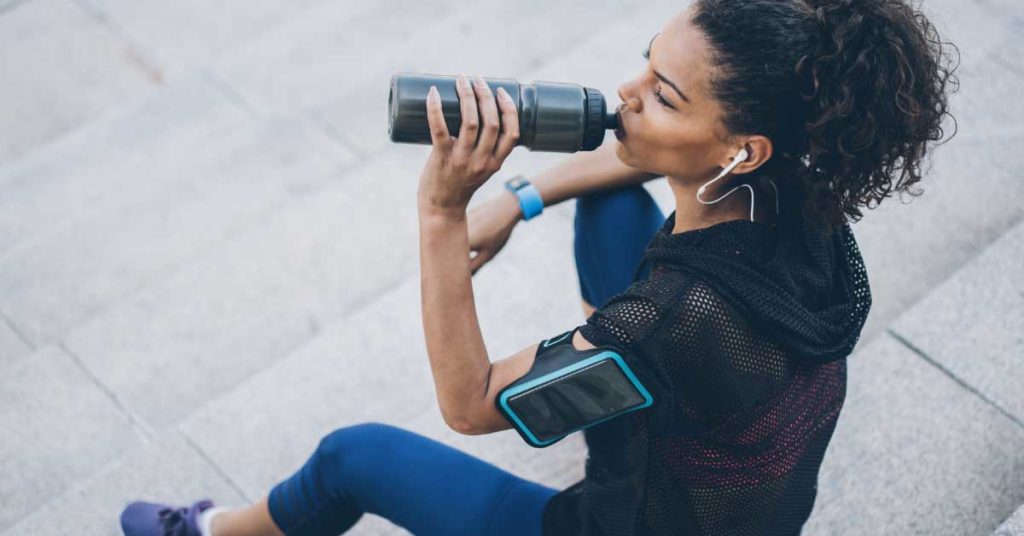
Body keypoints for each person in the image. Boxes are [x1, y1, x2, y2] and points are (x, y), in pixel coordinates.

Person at [118, 0, 957, 534]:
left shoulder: (670, 317)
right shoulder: (799, 197)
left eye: (664, 95)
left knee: (353, 456)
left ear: (741, 147)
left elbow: (470, 404)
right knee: (605, 207)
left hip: (628, 523)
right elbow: (632, 158)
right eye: (644, 62)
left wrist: (443, 216)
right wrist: (519, 200)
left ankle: (208, 531)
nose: (626, 93)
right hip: (737, 484)